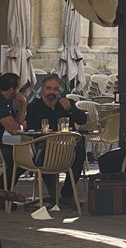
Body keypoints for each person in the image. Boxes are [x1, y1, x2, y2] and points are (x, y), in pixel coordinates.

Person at [25, 75, 88, 207]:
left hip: (66, 148)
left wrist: (70, 109)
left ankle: (67, 193)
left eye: (55, 89)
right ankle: (53, 196)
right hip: (44, 147)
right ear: (42, 89)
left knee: (80, 150)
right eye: (49, 88)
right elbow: (30, 130)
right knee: (47, 153)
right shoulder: (34, 106)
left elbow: (83, 120)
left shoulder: (65, 104)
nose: (52, 92)